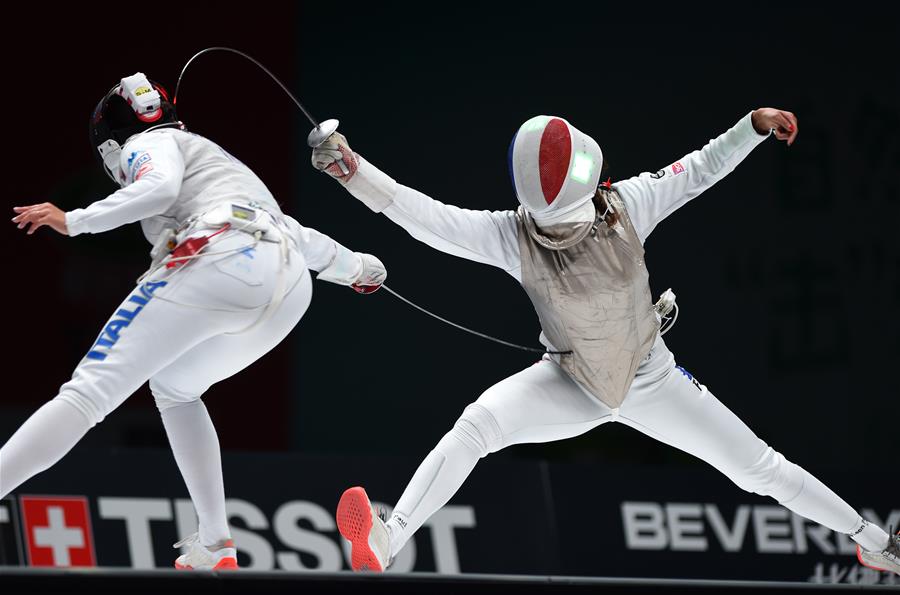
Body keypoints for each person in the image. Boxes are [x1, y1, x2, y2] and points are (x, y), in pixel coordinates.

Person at [312, 108, 899, 576]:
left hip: (653, 380)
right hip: (570, 382)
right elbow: (422, 217)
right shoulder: (523, 233)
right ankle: (388, 541)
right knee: (477, 426)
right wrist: (353, 171)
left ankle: (875, 544)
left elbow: (695, 172)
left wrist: (747, 129)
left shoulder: (619, 209)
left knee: (762, 469)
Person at [2, 72, 387, 570]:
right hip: (289, 285)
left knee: (88, 392)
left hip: (217, 257)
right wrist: (357, 267)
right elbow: (293, 233)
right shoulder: (219, 162)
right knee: (174, 388)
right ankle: (216, 542)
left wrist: (75, 219)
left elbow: (159, 189)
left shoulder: (150, 144)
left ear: (113, 147)